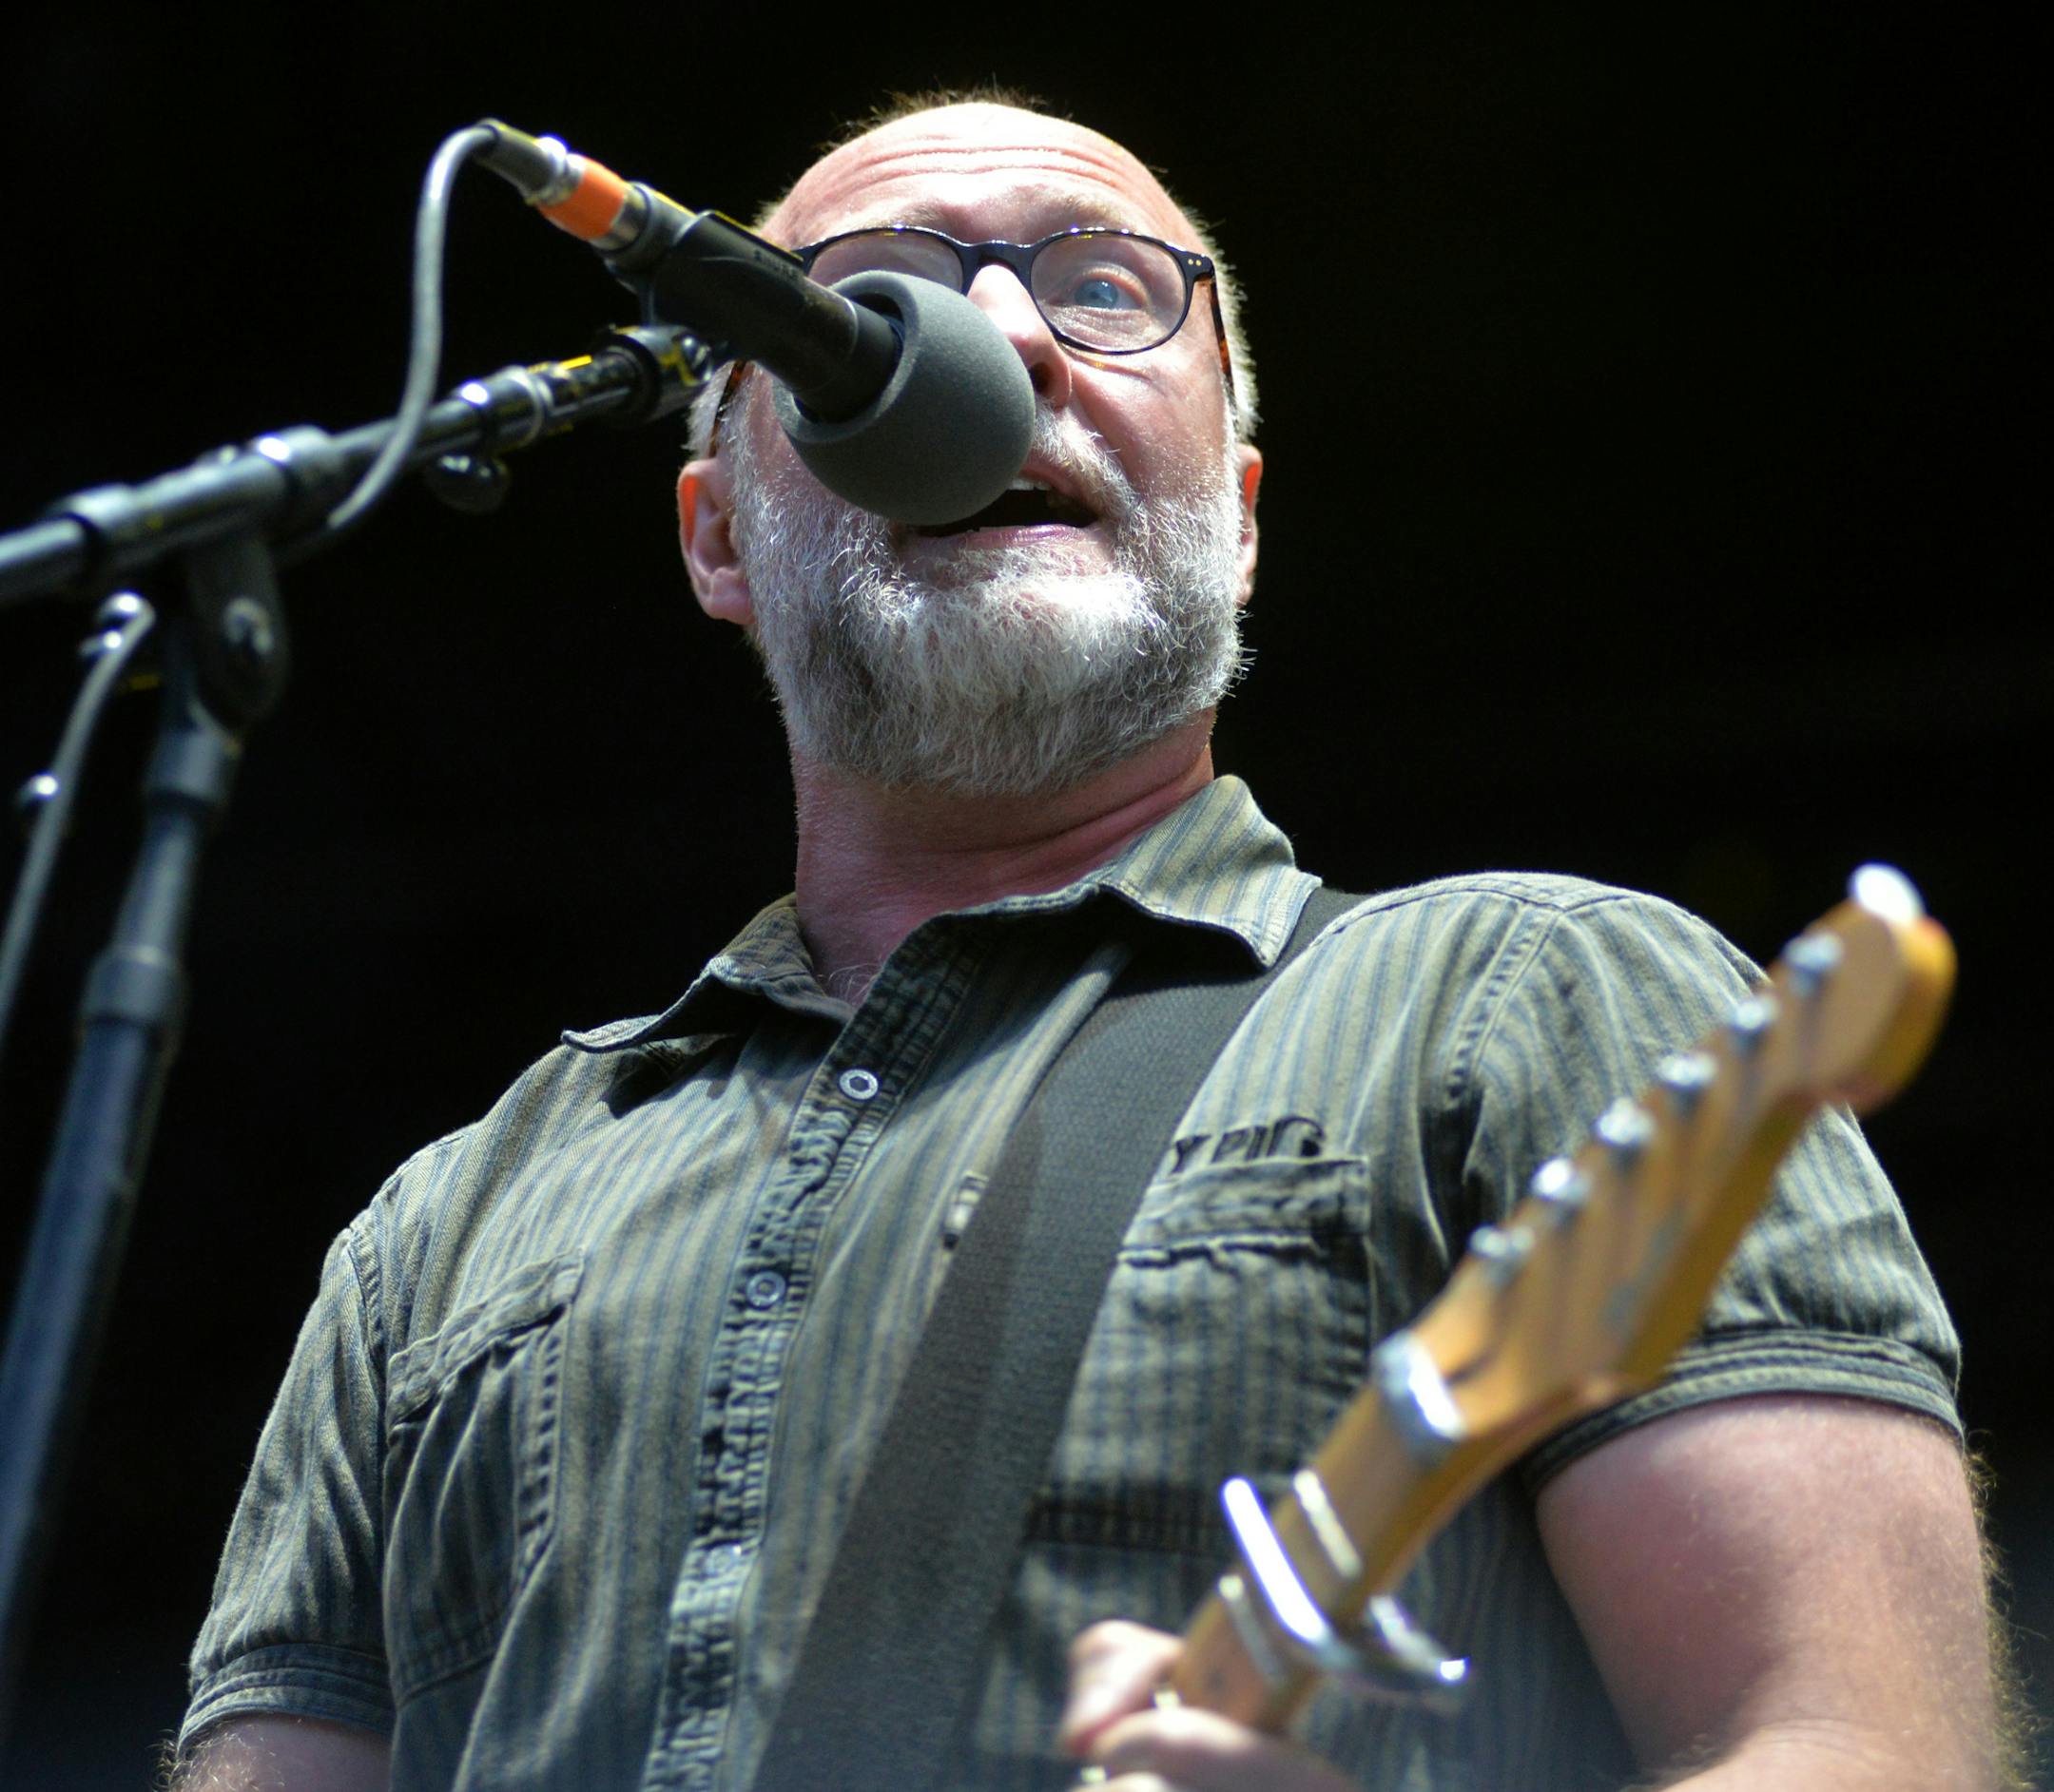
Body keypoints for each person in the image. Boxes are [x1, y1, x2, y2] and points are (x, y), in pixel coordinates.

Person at [171, 94, 2006, 1790]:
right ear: (719, 536)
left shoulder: (1536, 999)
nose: (1002, 346)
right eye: (874, 304)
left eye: (1109, 290)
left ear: (1245, 520)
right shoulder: (443, 1229)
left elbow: (1861, 1741)